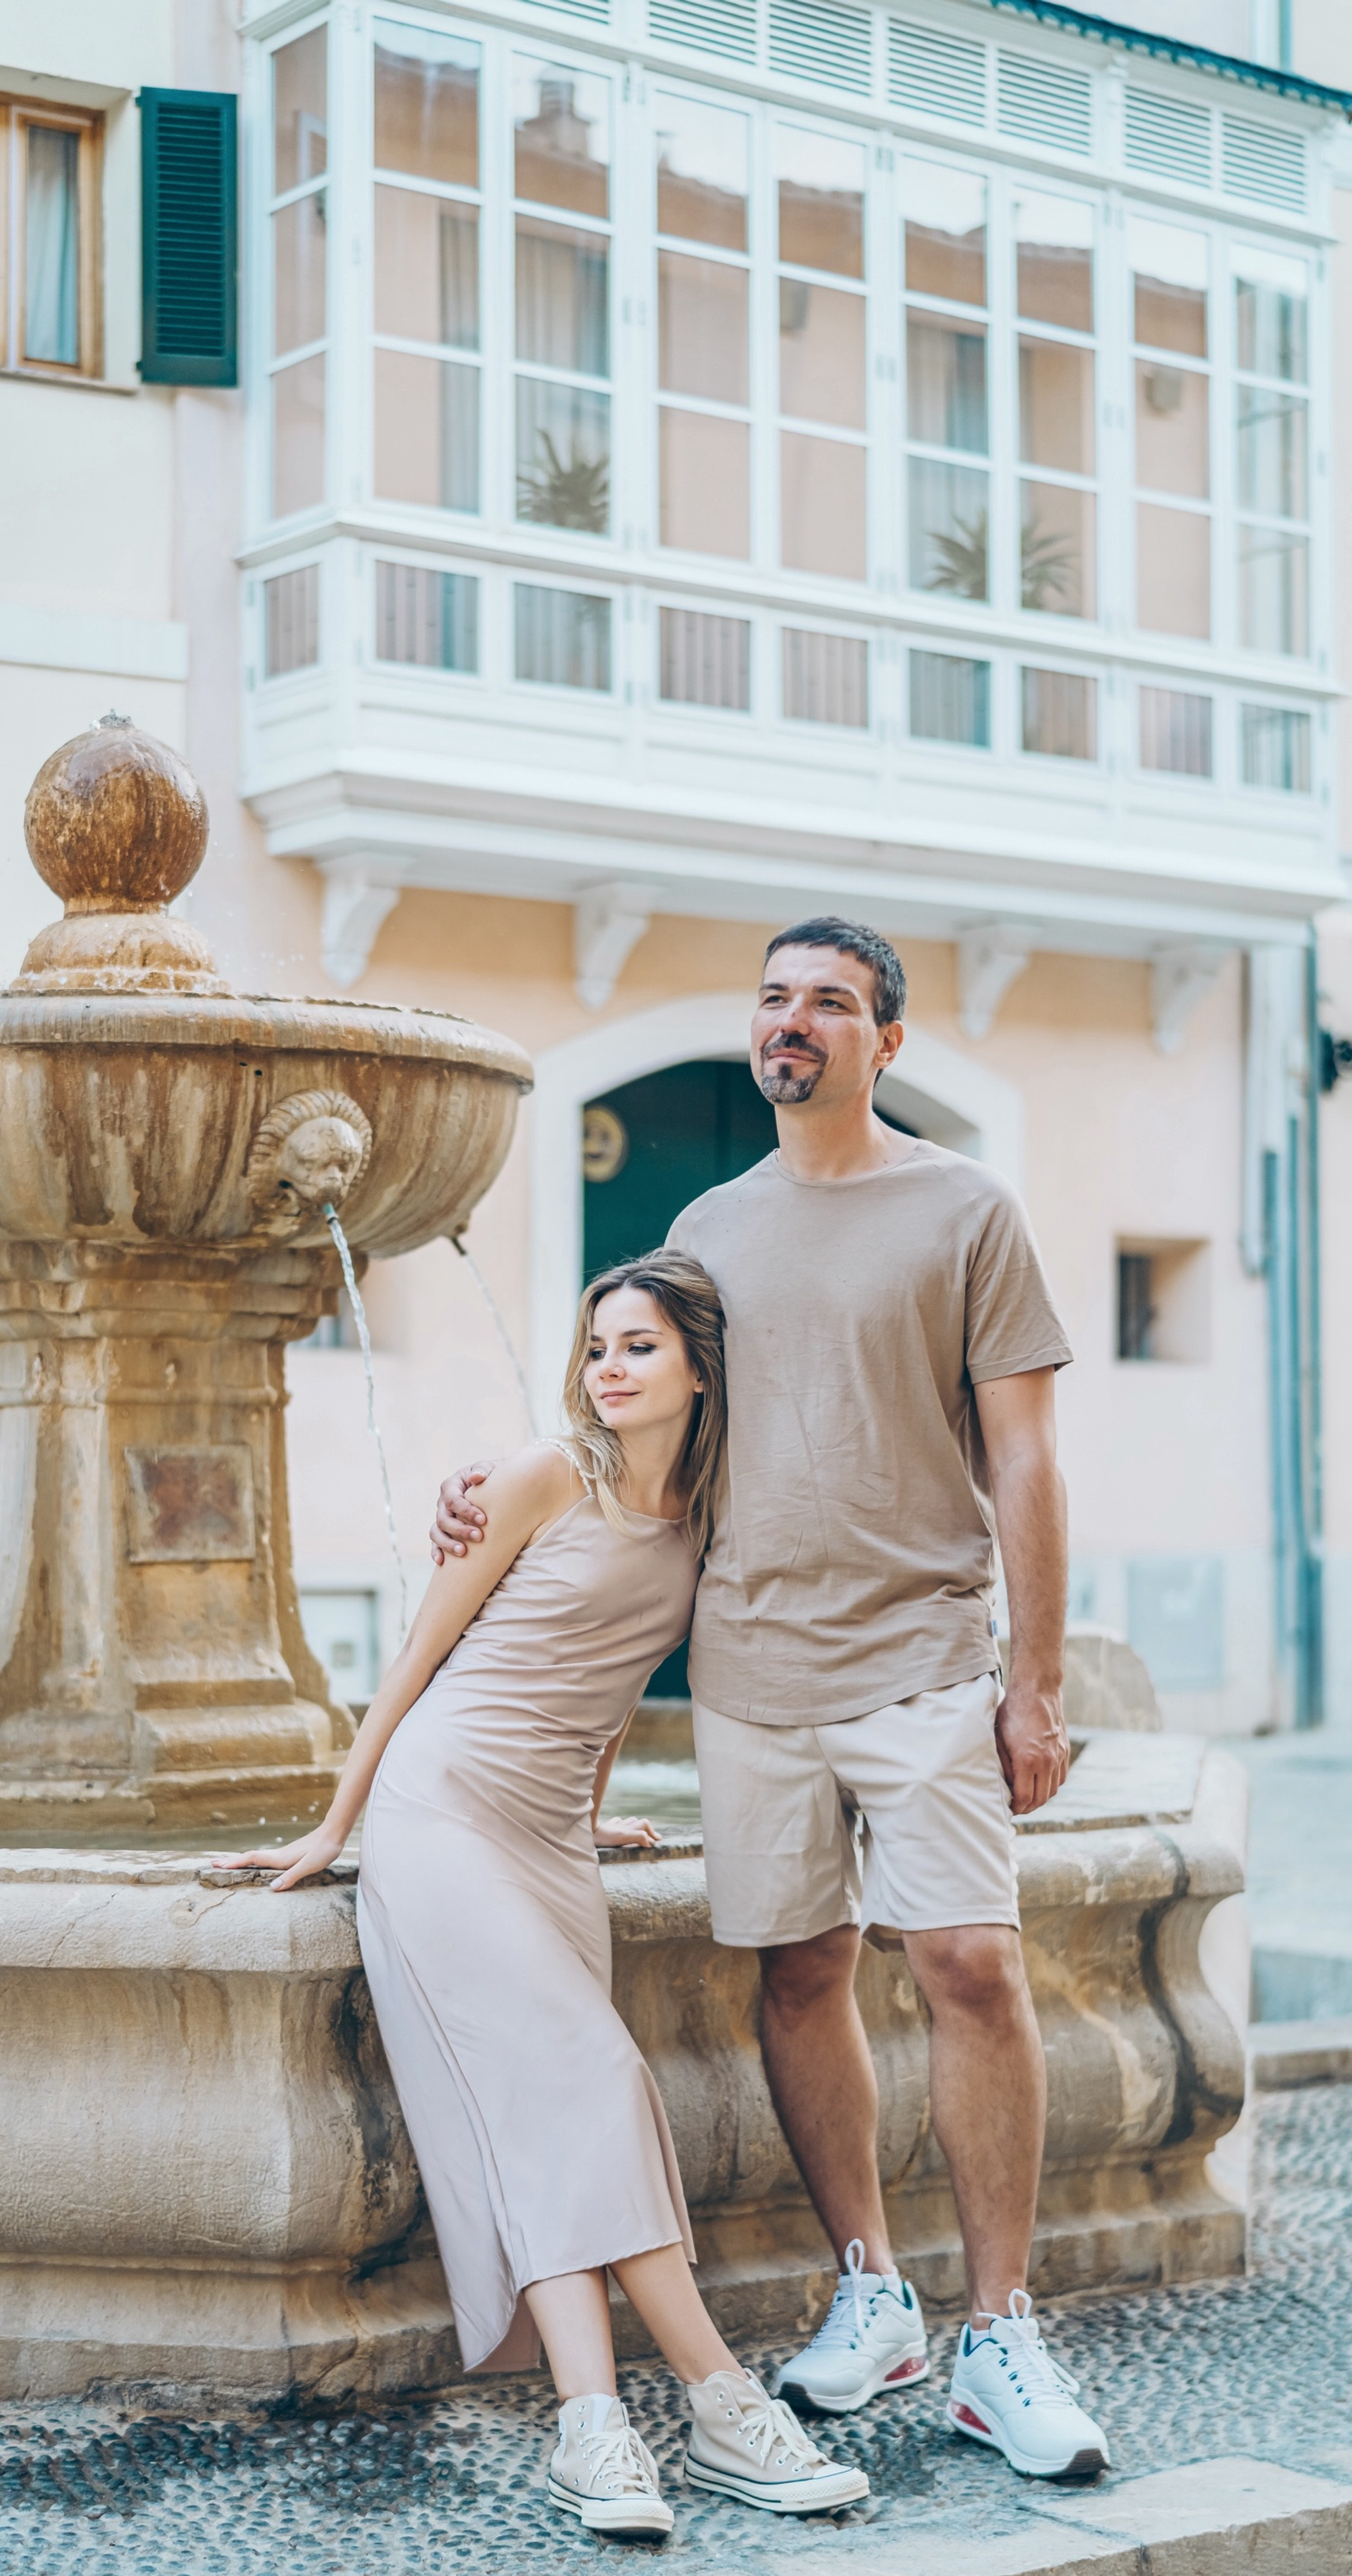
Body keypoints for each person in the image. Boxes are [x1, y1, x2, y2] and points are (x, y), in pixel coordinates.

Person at [433, 918, 1110, 2484]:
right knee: (797, 1975)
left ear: (885, 1040)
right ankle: (868, 2293)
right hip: (747, 1666)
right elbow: (630, 1421)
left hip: (923, 1652)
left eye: (826, 1002)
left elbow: (1023, 1458)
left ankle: (997, 2331)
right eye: (773, 999)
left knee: (966, 1964)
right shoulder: (704, 1225)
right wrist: (494, 1486)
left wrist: (1036, 1677)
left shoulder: (962, 1207)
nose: (790, 1022)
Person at [216, 1254, 868, 2537]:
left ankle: (592, 2432)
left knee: (545, 2122)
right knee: (596, 2080)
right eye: (597, 1348)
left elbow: (616, 1680)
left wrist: (583, 1806)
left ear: (699, 1368)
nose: (608, 1371)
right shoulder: (539, 1475)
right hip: (443, 1810)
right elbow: (420, 1652)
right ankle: (722, 2402)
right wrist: (337, 1825)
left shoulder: (706, 1517)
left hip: (550, 1839)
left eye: (637, 1348)